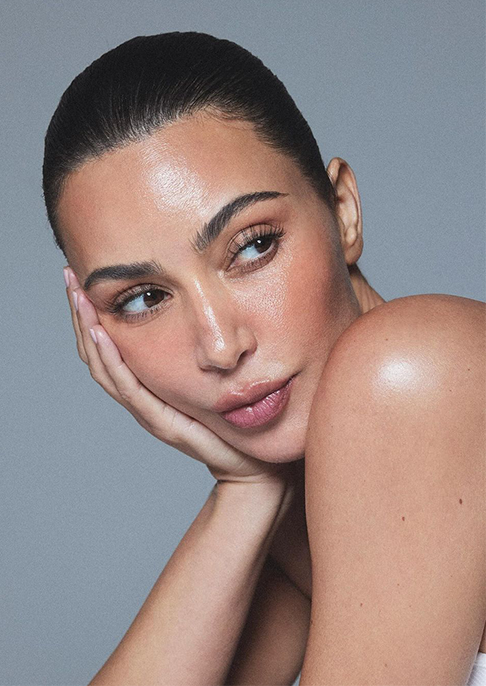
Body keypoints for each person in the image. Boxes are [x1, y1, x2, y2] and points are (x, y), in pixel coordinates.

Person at [43, 32, 485, 685]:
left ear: (343, 211)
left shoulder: (410, 371)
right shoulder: (303, 522)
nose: (221, 346)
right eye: (144, 298)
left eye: (252, 247)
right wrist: (246, 493)